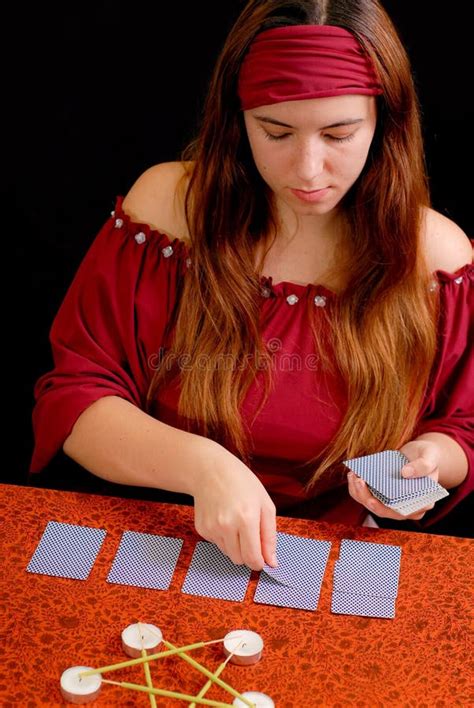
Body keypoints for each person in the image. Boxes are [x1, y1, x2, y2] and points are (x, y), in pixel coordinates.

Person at [30, 0, 473, 569]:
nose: (307, 169)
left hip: (332, 558)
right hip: (154, 533)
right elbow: (74, 395)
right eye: (276, 131)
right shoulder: (170, 210)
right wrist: (203, 467)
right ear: (237, 118)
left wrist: (428, 458)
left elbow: (460, 427)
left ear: (385, 123)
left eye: (339, 134)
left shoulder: (434, 257)